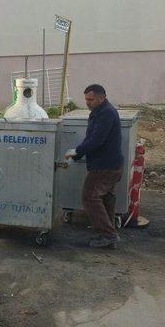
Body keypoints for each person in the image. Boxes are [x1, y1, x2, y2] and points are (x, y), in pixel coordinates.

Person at [65, 84, 123, 249]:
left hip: (104, 166)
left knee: (90, 196)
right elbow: (92, 137)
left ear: (101, 98)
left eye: (90, 99)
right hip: (111, 164)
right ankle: (108, 232)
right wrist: (78, 154)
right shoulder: (100, 112)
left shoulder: (106, 114)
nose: (87, 103)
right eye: (86, 100)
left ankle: (108, 234)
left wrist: (77, 151)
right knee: (106, 197)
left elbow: (96, 140)